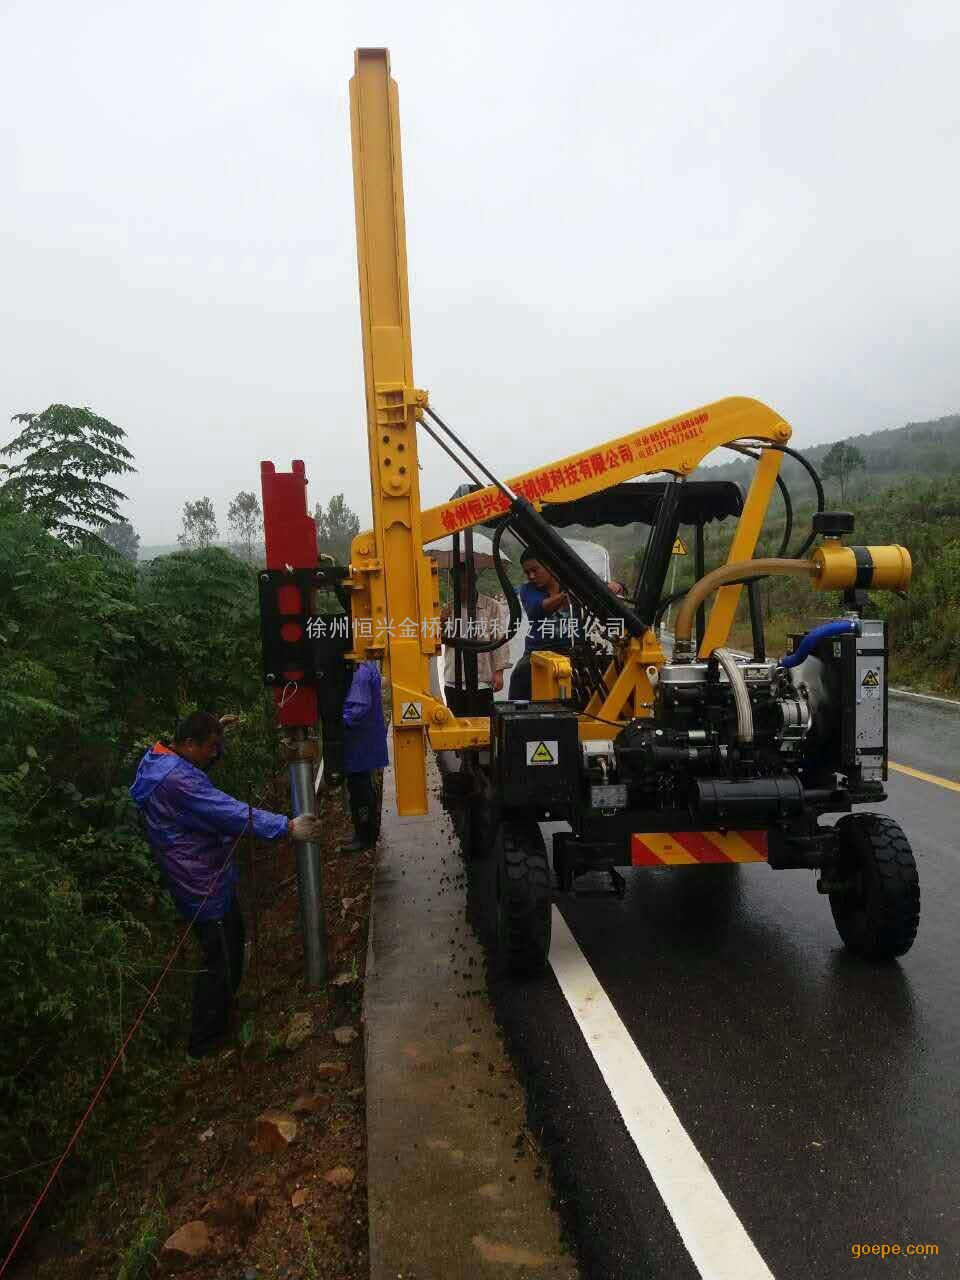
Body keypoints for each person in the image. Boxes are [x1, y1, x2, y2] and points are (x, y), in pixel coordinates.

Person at [130, 710, 321, 1059]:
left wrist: (213, 730)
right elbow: (226, 811)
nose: (216, 755)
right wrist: (287, 827)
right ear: (188, 745)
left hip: (198, 870)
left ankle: (216, 1024)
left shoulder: (159, 759)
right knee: (223, 957)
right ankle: (205, 1042)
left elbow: (191, 768)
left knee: (227, 947)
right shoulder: (179, 782)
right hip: (201, 882)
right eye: (211, 747)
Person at [508, 549, 574, 701]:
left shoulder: (573, 584)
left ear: (550, 565)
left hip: (571, 647)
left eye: (535, 570)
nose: (531, 576)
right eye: (527, 572)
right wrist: (566, 595)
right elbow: (537, 609)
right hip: (538, 651)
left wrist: (617, 586)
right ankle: (519, 717)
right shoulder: (527, 590)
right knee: (521, 674)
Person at [442, 577, 512, 715]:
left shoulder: (492, 606)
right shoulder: (448, 608)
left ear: (473, 579)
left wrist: (499, 672)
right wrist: (441, 621)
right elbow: (435, 640)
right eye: (457, 583)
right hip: (453, 680)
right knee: (457, 727)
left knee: (482, 727)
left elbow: (500, 640)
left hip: (481, 681)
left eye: (464, 581)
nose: (461, 586)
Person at [340, 660, 389, 854]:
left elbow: (359, 708)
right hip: (364, 741)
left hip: (359, 741)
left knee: (360, 790)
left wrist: (336, 720)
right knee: (362, 786)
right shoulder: (366, 665)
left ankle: (365, 836)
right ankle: (365, 832)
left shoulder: (358, 672)